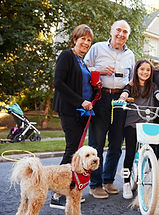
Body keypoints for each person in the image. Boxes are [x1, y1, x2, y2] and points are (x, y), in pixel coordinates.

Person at [84, 20, 135, 199]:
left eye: (125, 32)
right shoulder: (97, 48)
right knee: (96, 143)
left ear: (128, 35)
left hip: (120, 99)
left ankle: (108, 180)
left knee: (116, 143)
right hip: (100, 97)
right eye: (118, 30)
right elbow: (83, 68)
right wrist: (99, 70)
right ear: (111, 31)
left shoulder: (130, 55)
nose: (121, 34)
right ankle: (95, 184)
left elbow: (132, 80)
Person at [51, 24, 94, 208]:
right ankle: (57, 194)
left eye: (89, 40)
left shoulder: (82, 61)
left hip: (82, 112)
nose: (85, 42)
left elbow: (81, 85)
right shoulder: (67, 55)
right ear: (74, 39)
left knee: (75, 151)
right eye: (82, 38)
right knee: (71, 150)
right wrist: (80, 101)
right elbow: (59, 83)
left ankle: (68, 189)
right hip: (70, 109)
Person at [117, 59, 159, 199]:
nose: (145, 72)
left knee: (152, 152)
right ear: (136, 70)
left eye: (148, 70)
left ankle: (152, 178)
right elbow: (124, 93)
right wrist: (122, 99)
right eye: (142, 69)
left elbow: (158, 95)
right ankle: (125, 183)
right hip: (132, 124)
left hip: (148, 123)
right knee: (129, 154)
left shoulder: (152, 86)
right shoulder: (130, 86)